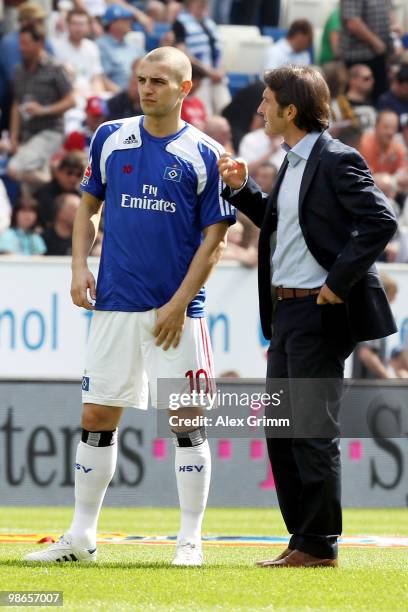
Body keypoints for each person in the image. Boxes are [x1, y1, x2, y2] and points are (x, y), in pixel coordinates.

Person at [24, 46, 235, 566]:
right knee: (97, 414)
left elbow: (216, 241)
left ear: (186, 89)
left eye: (159, 81)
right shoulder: (109, 138)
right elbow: (87, 209)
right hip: (115, 303)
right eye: (141, 79)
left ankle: (189, 539)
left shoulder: (205, 152)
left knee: (186, 420)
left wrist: (179, 303)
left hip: (177, 313)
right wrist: (79, 267)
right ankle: (81, 537)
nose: (146, 88)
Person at [218, 65, 397, 568]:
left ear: (290, 110)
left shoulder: (337, 159)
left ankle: (319, 546)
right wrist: (244, 190)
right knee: (281, 430)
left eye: (267, 100)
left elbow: (382, 221)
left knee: (312, 429)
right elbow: (289, 230)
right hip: (287, 313)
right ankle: (304, 540)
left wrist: (336, 285)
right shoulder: (293, 163)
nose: (260, 109)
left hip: (318, 313)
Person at [7, 23, 75, 186]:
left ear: (39, 43)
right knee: (29, 195)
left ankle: (52, 181)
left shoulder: (55, 68)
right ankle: (50, 177)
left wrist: (44, 110)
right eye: (20, 44)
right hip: (28, 134)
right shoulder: (19, 71)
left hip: (50, 131)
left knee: (14, 169)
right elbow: (16, 104)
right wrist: (14, 137)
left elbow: (71, 100)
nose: (22, 48)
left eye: (26, 43)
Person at [339, 0, 401, 101]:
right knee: (354, 101)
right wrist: (377, 44)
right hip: (360, 56)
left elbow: (389, 10)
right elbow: (352, 21)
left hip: (381, 56)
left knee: (380, 99)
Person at [97, 4, 145, 91]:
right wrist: (122, 96)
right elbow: (102, 78)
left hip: (139, 93)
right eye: (125, 20)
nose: (129, 22)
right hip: (118, 96)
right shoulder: (101, 45)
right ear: (113, 24)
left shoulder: (132, 44)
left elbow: (150, 62)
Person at [359, 110, 406, 175]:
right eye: (386, 127)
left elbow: (403, 172)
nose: (390, 132)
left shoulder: (398, 147)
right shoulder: (362, 144)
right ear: (376, 126)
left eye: (393, 128)